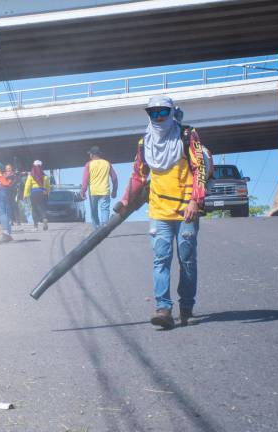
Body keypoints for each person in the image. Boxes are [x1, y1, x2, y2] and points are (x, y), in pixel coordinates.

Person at [120, 95, 207, 329]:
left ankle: (186, 309)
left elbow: (200, 168)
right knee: (161, 259)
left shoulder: (189, 135)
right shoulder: (144, 142)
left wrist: (195, 202)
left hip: (186, 209)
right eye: (152, 113)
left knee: (187, 259)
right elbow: (139, 174)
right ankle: (163, 309)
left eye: (162, 112)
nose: (158, 117)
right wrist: (126, 200)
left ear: (171, 113)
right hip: (159, 210)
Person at [80, 146, 118, 229]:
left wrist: (83, 191)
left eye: (90, 154)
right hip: (105, 191)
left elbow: (85, 180)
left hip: (93, 192)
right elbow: (114, 178)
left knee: (94, 212)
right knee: (105, 209)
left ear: (93, 155)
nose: (89, 155)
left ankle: (96, 230)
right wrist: (114, 191)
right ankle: (104, 227)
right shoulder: (107, 163)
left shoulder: (89, 164)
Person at [23, 160, 51, 231]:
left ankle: (35, 226)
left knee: (34, 209)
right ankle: (44, 218)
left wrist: (25, 194)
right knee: (43, 208)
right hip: (43, 192)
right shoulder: (45, 176)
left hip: (34, 193)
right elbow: (48, 187)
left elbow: (27, 185)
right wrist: (47, 193)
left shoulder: (31, 175)